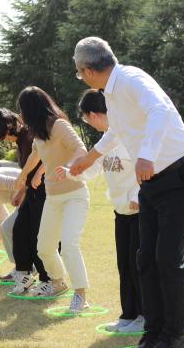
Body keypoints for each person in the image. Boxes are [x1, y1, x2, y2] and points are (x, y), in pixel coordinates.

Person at [68, 37, 184, 348]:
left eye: (79, 73)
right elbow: (116, 132)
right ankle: (152, 333)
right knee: (145, 258)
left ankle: (174, 335)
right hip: (152, 183)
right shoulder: (110, 93)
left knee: (167, 258)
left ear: (87, 70)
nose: (81, 77)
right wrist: (88, 158)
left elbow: (159, 110)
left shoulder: (131, 79)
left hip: (180, 176)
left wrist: (146, 156)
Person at [54, 90, 143, 334]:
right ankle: (128, 315)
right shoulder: (106, 141)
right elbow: (93, 170)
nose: (89, 124)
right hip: (121, 212)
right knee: (124, 266)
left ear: (94, 115)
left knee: (138, 267)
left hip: (139, 212)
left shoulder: (129, 137)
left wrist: (137, 196)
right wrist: (71, 173)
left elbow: (147, 167)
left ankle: (144, 316)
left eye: (86, 119)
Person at [15, 87, 92, 312]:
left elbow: (80, 149)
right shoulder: (39, 132)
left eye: (22, 109)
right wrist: (24, 176)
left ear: (31, 109)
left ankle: (81, 295)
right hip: (53, 198)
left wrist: (68, 168)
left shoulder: (60, 126)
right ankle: (58, 283)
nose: (20, 115)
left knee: (69, 245)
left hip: (75, 195)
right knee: (44, 247)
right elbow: (36, 154)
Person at [0, 107, 51, 294]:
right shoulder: (22, 140)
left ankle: (47, 279)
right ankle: (24, 274)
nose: (3, 141)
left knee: (36, 236)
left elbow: (43, 164)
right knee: (14, 228)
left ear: (7, 129)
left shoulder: (29, 138)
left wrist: (24, 188)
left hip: (45, 193)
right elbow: (28, 174)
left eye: (0, 136)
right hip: (32, 193)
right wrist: (21, 192)